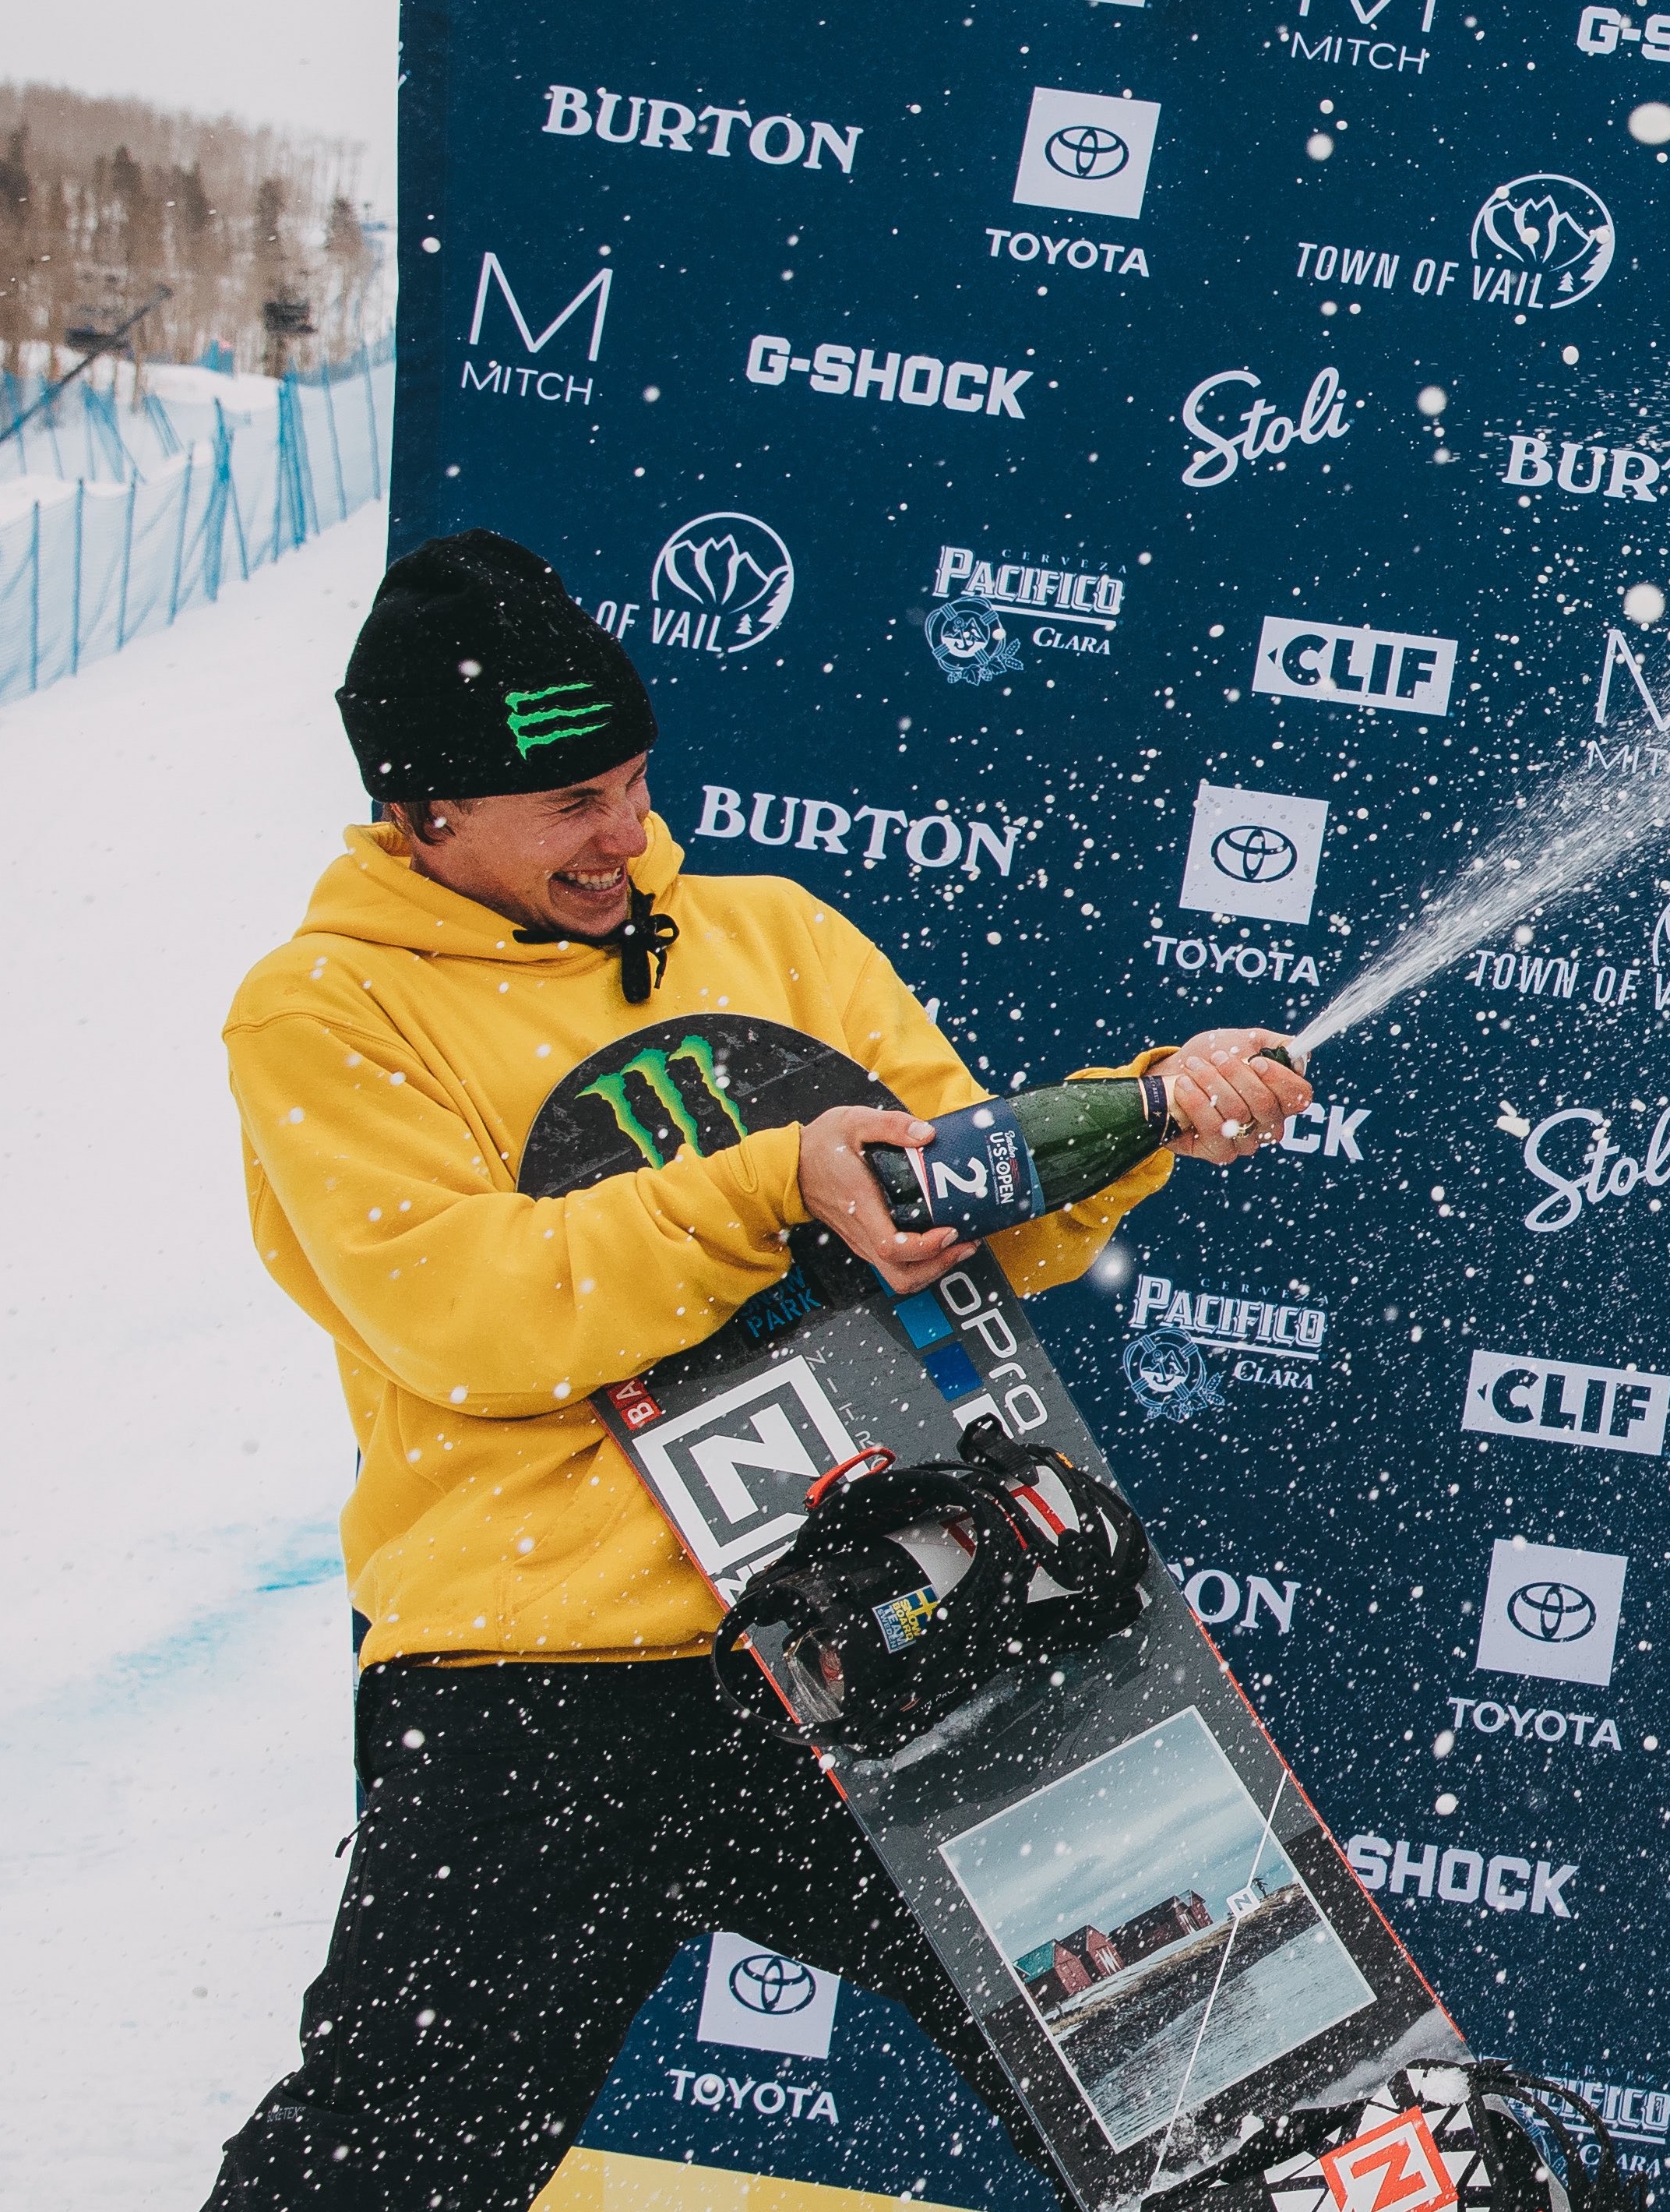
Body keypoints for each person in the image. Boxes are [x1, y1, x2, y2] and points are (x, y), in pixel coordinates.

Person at [203, 530, 1312, 2212]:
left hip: (874, 1614)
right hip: (537, 1673)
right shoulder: (322, 1013)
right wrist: (768, 1179)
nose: (626, 834)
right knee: (383, 2167)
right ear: (425, 813)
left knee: (1210, 2057)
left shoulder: (774, 931)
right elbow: (471, 1315)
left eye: (637, 782)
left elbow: (968, 1220)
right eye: (572, 803)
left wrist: (1155, 1105)